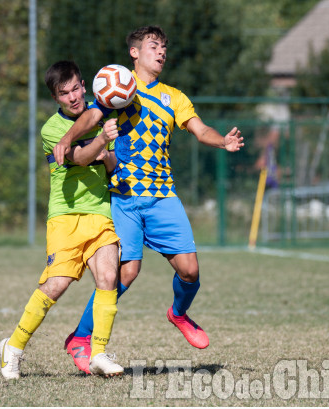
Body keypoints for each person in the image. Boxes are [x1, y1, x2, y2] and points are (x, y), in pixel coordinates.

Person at [53, 26, 244, 374]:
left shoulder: (175, 97)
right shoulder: (118, 85)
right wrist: (67, 138)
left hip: (162, 196)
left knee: (191, 271)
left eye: (164, 47)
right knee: (125, 273)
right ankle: (80, 337)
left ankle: (178, 313)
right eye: (154, 46)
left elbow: (200, 130)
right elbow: (92, 116)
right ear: (134, 53)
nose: (162, 52)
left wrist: (223, 142)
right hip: (125, 197)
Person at [0, 60, 124, 379]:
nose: (72, 97)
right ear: (55, 98)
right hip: (65, 217)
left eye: (75, 89)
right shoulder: (52, 130)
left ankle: (98, 353)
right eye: (63, 93)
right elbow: (80, 158)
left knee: (109, 278)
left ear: (84, 85)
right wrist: (102, 141)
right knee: (55, 286)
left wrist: (108, 156)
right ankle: (12, 348)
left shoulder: (100, 112)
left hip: (100, 212)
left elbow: (108, 166)